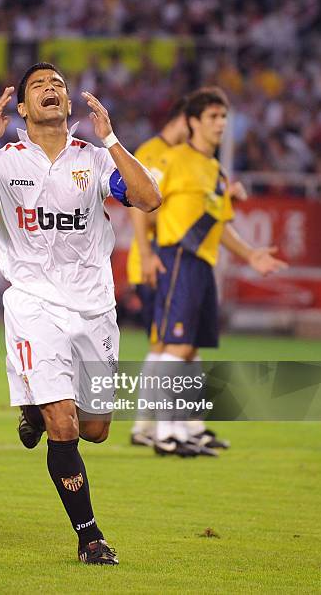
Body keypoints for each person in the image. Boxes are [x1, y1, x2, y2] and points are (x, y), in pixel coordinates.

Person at [0, 62, 160, 565]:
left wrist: (113, 140)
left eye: (57, 84)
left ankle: (32, 407)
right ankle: (90, 536)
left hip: (96, 306)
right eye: (39, 85)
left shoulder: (94, 159)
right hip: (34, 305)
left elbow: (149, 200)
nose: (50, 89)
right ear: (22, 108)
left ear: (68, 102)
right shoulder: (4, 161)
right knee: (65, 427)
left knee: (95, 428)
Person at [133, 87, 287, 457]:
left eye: (223, 117)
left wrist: (250, 254)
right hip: (177, 259)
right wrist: (146, 252)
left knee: (190, 350)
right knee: (176, 345)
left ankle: (186, 430)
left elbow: (220, 226)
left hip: (203, 264)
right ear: (193, 122)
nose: (220, 124)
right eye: (213, 117)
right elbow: (140, 203)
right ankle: (164, 434)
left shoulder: (215, 170)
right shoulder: (171, 160)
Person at [126, 97, 190, 449]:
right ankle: (152, 426)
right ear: (183, 119)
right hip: (151, 261)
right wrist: (148, 253)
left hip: (167, 262)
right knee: (166, 343)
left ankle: (146, 426)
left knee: (164, 342)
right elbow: (142, 206)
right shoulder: (151, 152)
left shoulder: (178, 156)